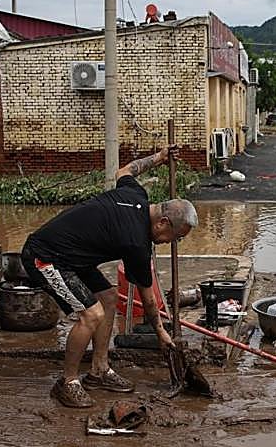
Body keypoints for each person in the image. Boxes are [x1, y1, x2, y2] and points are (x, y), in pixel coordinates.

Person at [22, 148, 198, 408]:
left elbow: (125, 171)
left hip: (74, 258)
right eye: (177, 236)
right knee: (91, 314)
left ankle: (99, 370)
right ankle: (67, 382)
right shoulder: (136, 242)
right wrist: (161, 333)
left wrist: (158, 158)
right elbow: (149, 299)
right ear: (162, 223)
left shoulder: (136, 194)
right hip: (45, 257)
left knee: (108, 297)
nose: (174, 242)